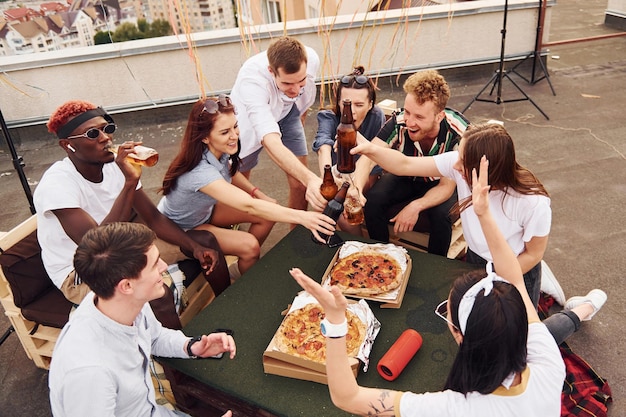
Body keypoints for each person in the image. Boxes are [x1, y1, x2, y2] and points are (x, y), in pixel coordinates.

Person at [288, 156, 606, 416]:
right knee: (558, 325)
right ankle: (585, 307)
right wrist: (482, 214)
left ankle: (584, 308)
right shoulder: (549, 363)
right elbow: (513, 277)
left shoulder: (452, 408)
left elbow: (346, 396)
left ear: (459, 334)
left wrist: (334, 320)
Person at [352, 122, 607, 342]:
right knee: (472, 330)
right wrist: (372, 150)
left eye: (465, 161)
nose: (456, 164)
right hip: (475, 260)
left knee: (522, 343)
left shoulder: (533, 201)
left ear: (490, 167)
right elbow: (405, 163)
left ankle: (584, 308)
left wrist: (498, 274)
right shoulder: (460, 166)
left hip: (516, 267)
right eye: (458, 156)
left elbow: (534, 253)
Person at [33, 100, 230, 326]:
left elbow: (153, 218)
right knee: (156, 294)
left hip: (123, 247)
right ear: (68, 145)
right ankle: (179, 354)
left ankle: (228, 311)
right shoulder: (57, 185)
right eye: (92, 133)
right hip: (83, 269)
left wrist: (193, 247)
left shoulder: (114, 166)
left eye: (107, 128)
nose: (105, 138)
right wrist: (129, 183)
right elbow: (96, 245)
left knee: (205, 241)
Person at [48, 222, 236, 417]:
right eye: (155, 264)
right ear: (126, 285)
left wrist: (191, 346)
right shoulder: (90, 373)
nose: (164, 266)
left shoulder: (120, 301)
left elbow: (154, 337)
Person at [158, 95, 336, 277]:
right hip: (184, 226)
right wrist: (304, 217)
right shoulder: (199, 172)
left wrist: (255, 192)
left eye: (235, 126)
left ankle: (242, 267)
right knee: (250, 245)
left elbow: (229, 171)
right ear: (204, 137)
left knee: (269, 211)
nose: (234, 136)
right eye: (224, 132)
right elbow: (248, 206)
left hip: (205, 210)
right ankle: (246, 266)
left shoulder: (217, 149)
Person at [352, 69, 469, 256]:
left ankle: (433, 268)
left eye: (420, 117)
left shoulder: (458, 132)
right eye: (407, 112)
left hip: (441, 182)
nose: (410, 122)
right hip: (407, 175)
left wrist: (416, 206)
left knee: (441, 216)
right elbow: (368, 156)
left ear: (439, 116)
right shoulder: (399, 121)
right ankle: (380, 258)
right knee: (374, 200)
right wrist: (356, 188)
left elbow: (447, 186)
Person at [230, 36, 327, 213]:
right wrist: (312, 179)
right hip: (248, 125)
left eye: (301, 81)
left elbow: (305, 94)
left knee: (300, 183)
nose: (296, 89)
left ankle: (298, 233)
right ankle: (233, 223)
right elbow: (269, 139)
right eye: (287, 83)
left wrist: (300, 117)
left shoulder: (311, 58)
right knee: (238, 185)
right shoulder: (251, 81)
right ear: (271, 71)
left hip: (288, 112)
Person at [312, 66, 386, 235]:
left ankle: (360, 246)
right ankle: (359, 246)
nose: (351, 111)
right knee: (333, 204)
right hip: (338, 176)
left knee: (345, 207)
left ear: (370, 105)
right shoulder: (328, 117)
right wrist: (327, 176)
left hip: (368, 174)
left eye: (359, 105)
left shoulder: (376, 116)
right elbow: (323, 145)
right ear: (339, 102)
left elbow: (374, 160)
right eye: (346, 103)